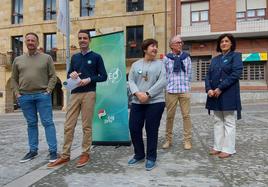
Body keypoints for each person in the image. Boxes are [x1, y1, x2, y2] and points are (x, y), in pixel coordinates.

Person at [48, 30, 107, 168]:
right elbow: (69, 75)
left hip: (89, 93)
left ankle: (85, 153)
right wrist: (72, 74)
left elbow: (103, 76)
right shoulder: (75, 58)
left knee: (86, 126)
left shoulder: (97, 57)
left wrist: (89, 79)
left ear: (89, 40)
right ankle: (65, 156)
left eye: (85, 38)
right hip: (74, 93)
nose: (82, 40)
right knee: (68, 125)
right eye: (80, 38)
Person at [11, 32, 58, 163]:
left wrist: (48, 90)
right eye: (28, 40)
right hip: (25, 97)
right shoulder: (18, 60)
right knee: (31, 124)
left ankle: (53, 151)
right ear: (25, 43)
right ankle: (33, 151)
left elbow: (53, 76)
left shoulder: (46, 58)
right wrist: (17, 93)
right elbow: (13, 79)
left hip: (42, 95)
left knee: (48, 123)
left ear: (37, 43)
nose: (31, 42)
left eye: (33, 40)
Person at [127, 39, 166, 171]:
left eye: (156, 46)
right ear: (145, 49)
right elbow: (130, 80)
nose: (155, 49)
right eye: (152, 46)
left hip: (155, 102)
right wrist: (138, 93)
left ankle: (151, 157)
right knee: (134, 128)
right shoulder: (135, 65)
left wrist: (148, 94)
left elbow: (163, 81)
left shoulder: (160, 64)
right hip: (137, 102)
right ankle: (139, 154)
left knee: (151, 130)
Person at [205, 33, 243, 158]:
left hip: (228, 93)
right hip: (214, 95)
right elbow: (208, 76)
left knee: (228, 121)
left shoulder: (236, 56)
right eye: (222, 42)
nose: (224, 43)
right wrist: (209, 89)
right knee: (217, 121)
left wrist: (220, 88)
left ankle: (228, 149)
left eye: (226, 41)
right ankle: (218, 146)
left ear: (231, 43)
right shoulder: (215, 59)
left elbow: (236, 74)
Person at [162, 35, 193, 150]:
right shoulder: (166, 58)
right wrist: (166, 87)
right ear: (171, 45)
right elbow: (164, 75)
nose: (180, 44)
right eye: (178, 42)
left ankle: (187, 140)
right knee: (170, 116)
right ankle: (168, 140)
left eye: (181, 42)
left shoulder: (186, 58)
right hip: (171, 91)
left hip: (184, 90)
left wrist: (188, 87)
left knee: (186, 116)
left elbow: (189, 74)